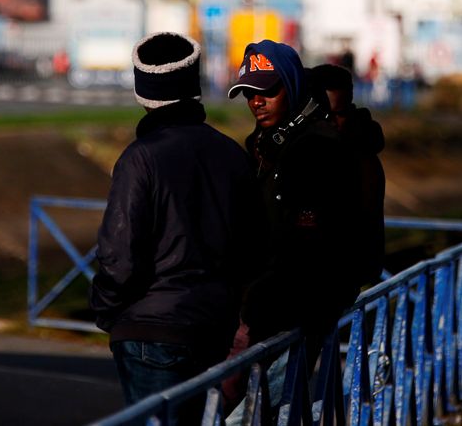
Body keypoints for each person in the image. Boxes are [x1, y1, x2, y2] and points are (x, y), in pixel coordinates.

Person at [89, 32, 264, 417]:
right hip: (213, 328)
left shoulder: (140, 159)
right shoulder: (232, 155)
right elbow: (252, 249)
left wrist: (105, 311)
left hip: (151, 329)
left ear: (144, 91)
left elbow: (120, 255)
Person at [221, 40, 362, 412]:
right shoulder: (265, 143)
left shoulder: (317, 148)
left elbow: (308, 245)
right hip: (268, 310)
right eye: (249, 94)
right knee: (246, 405)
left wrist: (255, 306)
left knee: (247, 410)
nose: (257, 102)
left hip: (289, 313)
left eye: (268, 91)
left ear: (293, 85)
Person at [310, 63, 386, 286]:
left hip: (338, 279)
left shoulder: (360, 155)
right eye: (323, 114)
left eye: (338, 114)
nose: (331, 123)